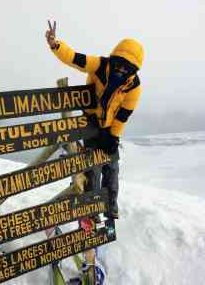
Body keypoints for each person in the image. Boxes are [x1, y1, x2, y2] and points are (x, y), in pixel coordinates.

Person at [45, 20, 143, 220]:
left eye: (127, 69)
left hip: (109, 129)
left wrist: (112, 136)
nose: (121, 71)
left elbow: (124, 114)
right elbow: (75, 58)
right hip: (90, 124)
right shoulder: (99, 65)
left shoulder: (134, 87)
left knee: (112, 167)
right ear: (113, 58)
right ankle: (92, 207)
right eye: (119, 64)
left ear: (133, 70)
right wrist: (56, 45)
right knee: (93, 168)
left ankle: (110, 205)